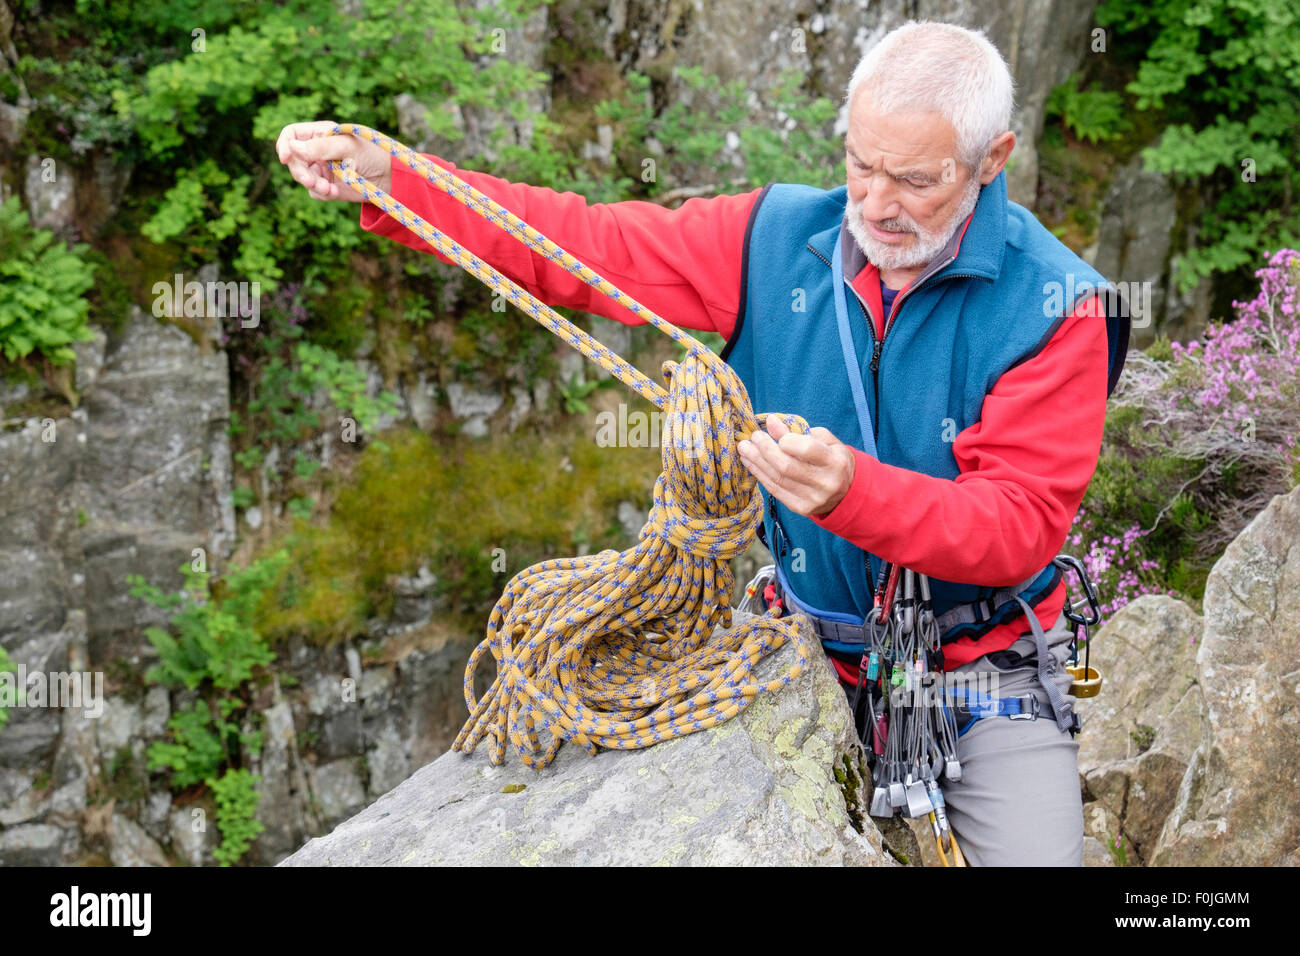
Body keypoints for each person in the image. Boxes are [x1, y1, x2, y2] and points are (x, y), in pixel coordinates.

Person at [276, 20, 1126, 865]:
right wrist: (403, 181)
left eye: (913, 179)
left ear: (991, 160)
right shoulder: (774, 240)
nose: (874, 204)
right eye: (860, 165)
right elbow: (583, 243)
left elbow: (1014, 527)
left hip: (975, 668)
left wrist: (848, 494)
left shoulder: (1054, 309)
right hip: (803, 645)